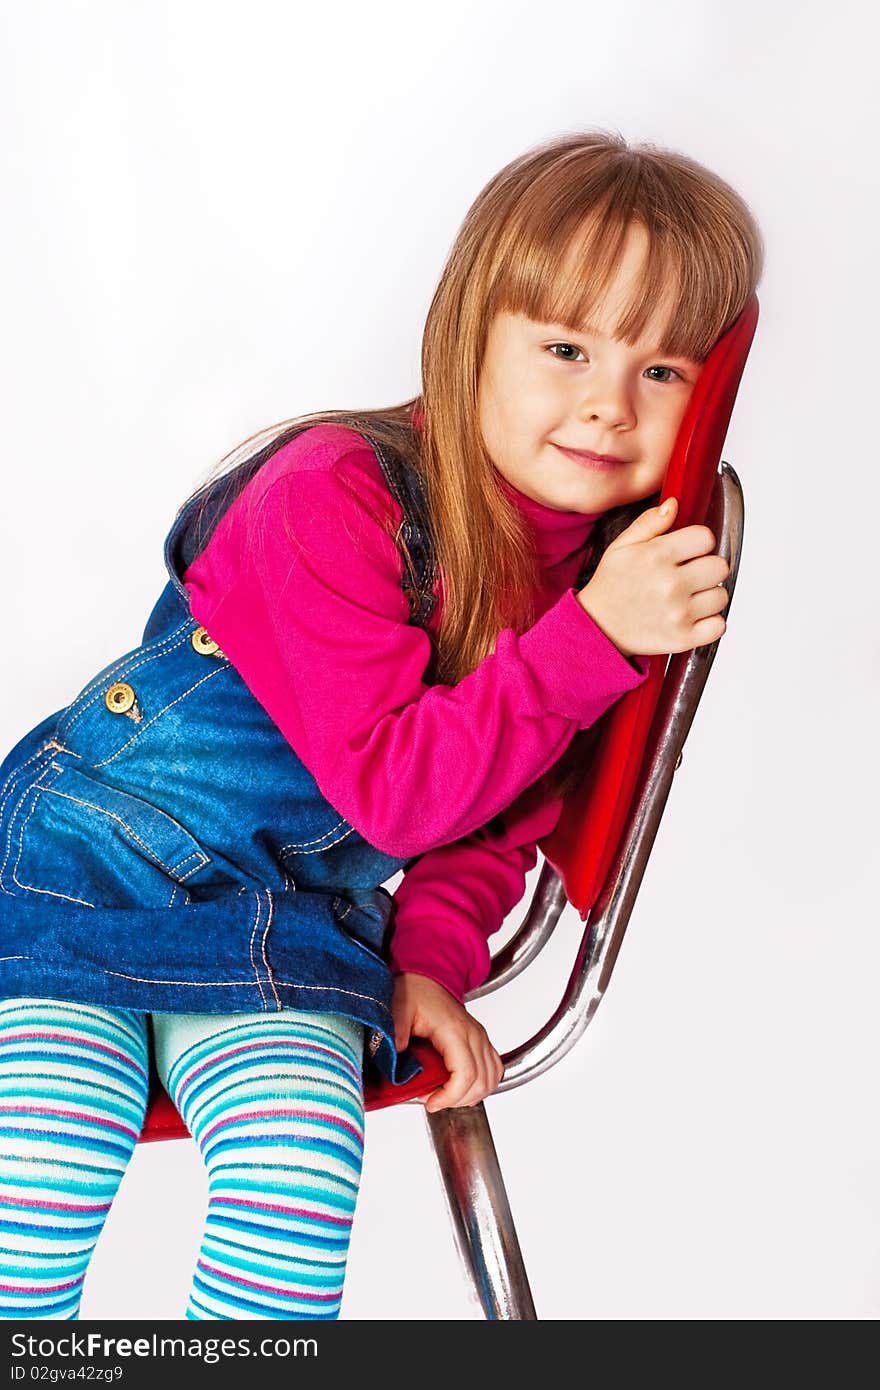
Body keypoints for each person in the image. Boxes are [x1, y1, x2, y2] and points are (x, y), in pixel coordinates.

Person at [0, 129, 763, 1320]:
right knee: (43, 1156)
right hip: (85, 874)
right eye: (565, 347)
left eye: (662, 372)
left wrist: (428, 960)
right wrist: (591, 643)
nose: (608, 405)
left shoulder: (594, 587)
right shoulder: (333, 490)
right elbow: (394, 793)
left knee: (297, 1181)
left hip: (291, 932)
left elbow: (499, 818)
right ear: (471, 337)